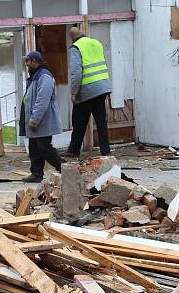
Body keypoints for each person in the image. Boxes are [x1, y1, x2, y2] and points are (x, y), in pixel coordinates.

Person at [64, 27, 112, 157]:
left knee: (79, 121)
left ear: (72, 38)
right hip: (102, 87)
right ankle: (105, 150)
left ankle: (73, 150)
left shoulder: (76, 48)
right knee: (101, 121)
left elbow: (76, 73)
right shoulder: (96, 43)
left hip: (87, 89)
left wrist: (74, 92)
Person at [20, 51, 63, 183]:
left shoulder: (44, 77)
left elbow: (42, 100)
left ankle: (64, 168)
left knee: (44, 147)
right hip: (36, 120)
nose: (26, 65)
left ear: (33, 61)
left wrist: (35, 119)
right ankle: (37, 174)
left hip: (42, 120)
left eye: (27, 62)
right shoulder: (35, 76)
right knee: (34, 147)